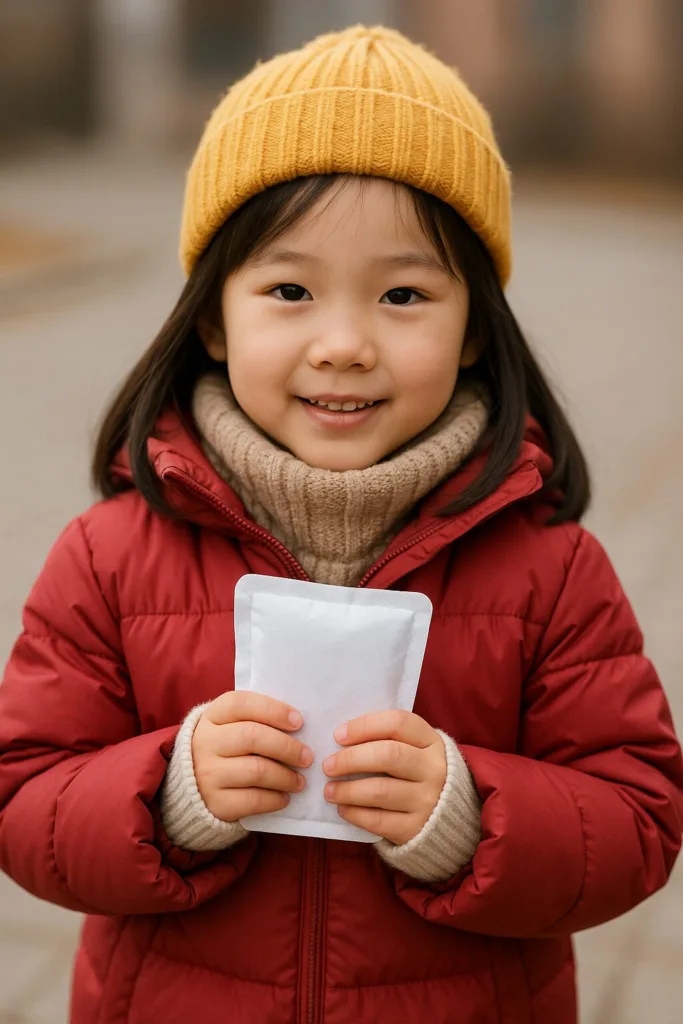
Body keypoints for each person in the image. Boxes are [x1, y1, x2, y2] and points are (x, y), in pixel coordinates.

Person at [0, 24, 681, 1024]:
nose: (344, 342)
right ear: (213, 319)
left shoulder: (551, 571)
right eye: (289, 290)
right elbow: (25, 800)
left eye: (403, 294)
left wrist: (467, 814)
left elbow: (638, 818)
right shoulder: (107, 559)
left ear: (470, 333)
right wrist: (168, 792)